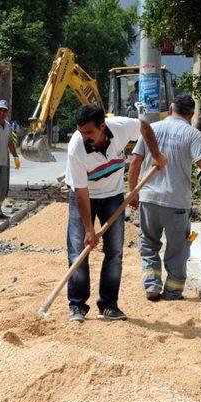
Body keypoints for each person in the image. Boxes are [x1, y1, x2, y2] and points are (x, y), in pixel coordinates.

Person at [128, 93, 201, 300]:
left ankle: (152, 286)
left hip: (149, 198)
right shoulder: (192, 134)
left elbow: (135, 162)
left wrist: (133, 192)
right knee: (178, 249)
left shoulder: (152, 129)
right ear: (191, 114)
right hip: (176, 202)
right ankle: (173, 291)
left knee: (148, 244)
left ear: (171, 110)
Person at [65, 104, 167, 322]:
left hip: (112, 197)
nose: (84, 137)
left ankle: (108, 305)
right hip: (84, 196)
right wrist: (89, 229)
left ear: (103, 126)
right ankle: (77, 306)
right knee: (77, 251)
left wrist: (156, 155)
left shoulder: (120, 128)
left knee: (114, 252)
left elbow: (145, 127)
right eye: (81, 132)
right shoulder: (76, 148)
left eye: (89, 132)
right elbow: (82, 194)